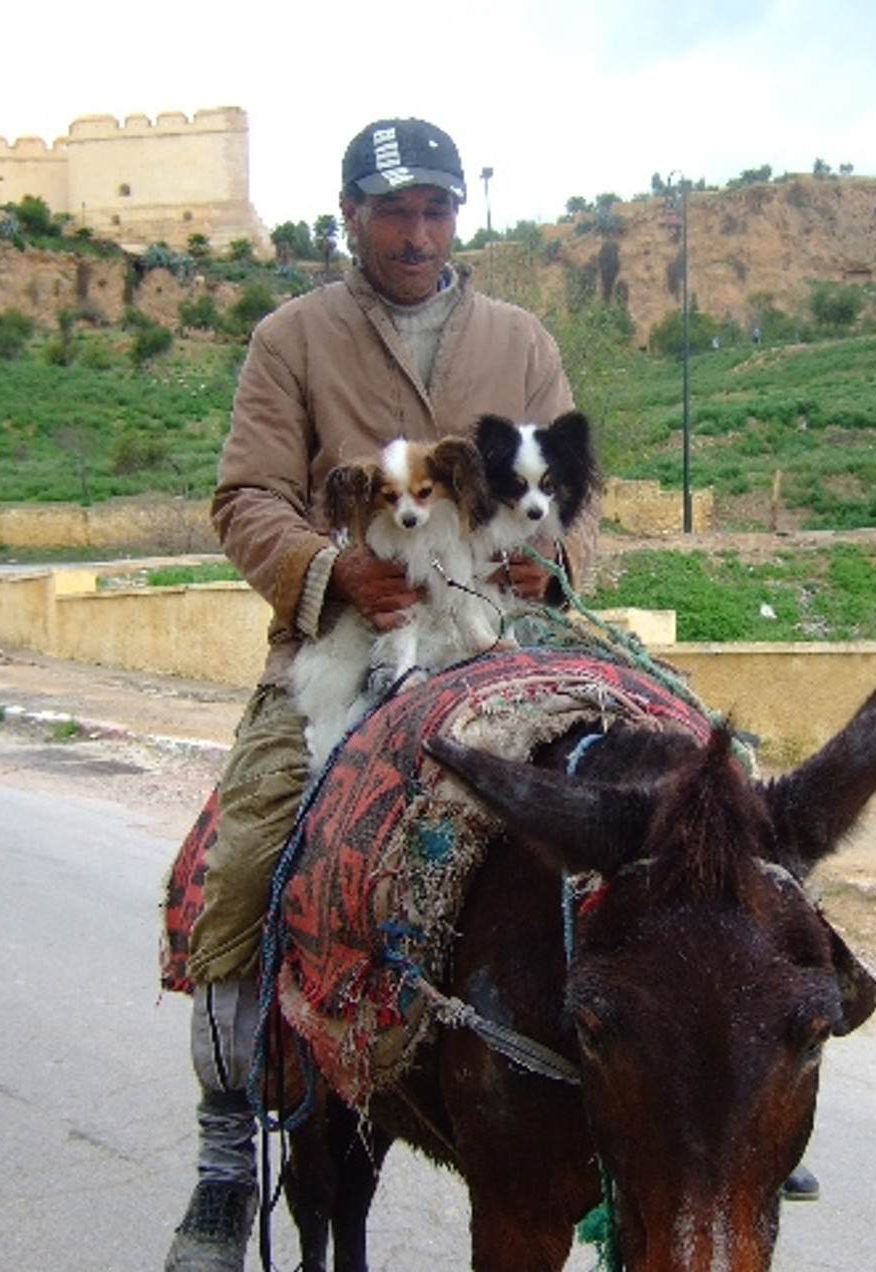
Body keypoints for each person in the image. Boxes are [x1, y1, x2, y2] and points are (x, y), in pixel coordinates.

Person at [164, 117, 595, 1272]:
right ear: (350, 214)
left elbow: (572, 485)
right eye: (392, 210)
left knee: (678, 796)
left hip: (505, 632)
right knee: (245, 861)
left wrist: (544, 555)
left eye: (434, 210)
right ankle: (221, 1152)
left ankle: (712, 1087)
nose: (415, 232)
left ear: (458, 215)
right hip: (351, 644)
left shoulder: (519, 338)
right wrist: (327, 569)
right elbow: (246, 495)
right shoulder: (290, 337)